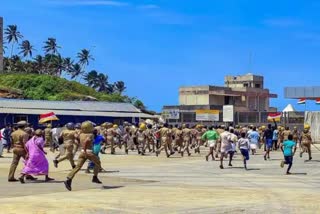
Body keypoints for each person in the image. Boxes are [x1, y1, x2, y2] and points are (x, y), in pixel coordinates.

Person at [64, 121, 102, 191]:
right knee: (98, 163)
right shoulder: (91, 135)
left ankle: (68, 179)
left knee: (78, 167)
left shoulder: (81, 134)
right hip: (88, 152)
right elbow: (87, 141)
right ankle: (95, 177)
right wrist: (85, 148)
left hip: (82, 152)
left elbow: (77, 138)